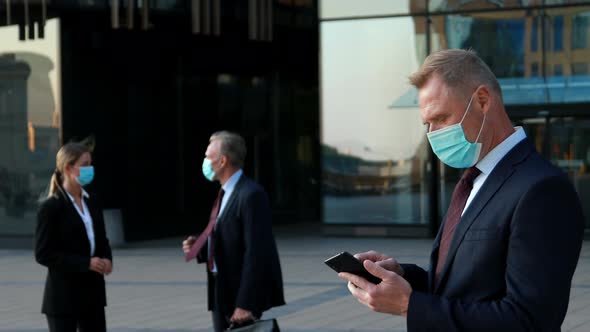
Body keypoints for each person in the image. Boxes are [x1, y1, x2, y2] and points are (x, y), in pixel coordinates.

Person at [338, 49, 584, 331]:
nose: (433, 134)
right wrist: (403, 276)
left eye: (441, 118)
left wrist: (410, 305)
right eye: (427, 124)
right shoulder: (473, 180)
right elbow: (467, 285)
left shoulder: (542, 190)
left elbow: (528, 319)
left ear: (482, 100)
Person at [182, 131, 285, 332]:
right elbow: (229, 237)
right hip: (222, 291)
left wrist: (246, 303)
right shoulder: (226, 192)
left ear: (223, 161)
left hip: (239, 295)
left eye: (208, 157)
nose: (205, 162)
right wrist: (201, 245)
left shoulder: (250, 194)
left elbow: (256, 252)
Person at [35, 139, 113, 332]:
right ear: (68, 169)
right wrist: (85, 263)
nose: (90, 169)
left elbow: (102, 240)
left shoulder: (92, 202)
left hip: (93, 296)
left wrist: (107, 259)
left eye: (90, 164)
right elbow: (44, 253)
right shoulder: (51, 207)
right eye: (84, 165)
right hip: (63, 299)